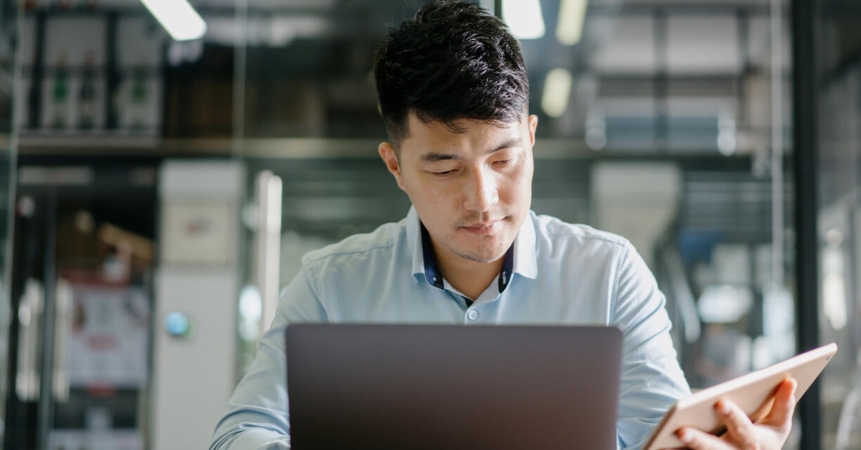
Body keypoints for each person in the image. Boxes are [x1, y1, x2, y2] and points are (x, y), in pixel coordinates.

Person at [210, 1, 797, 449]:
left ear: (533, 139)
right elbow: (240, 433)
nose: (484, 199)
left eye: (504, 159)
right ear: (396, 167)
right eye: (445, 166)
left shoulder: (609, 275)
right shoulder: (330, 287)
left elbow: (661, 438)